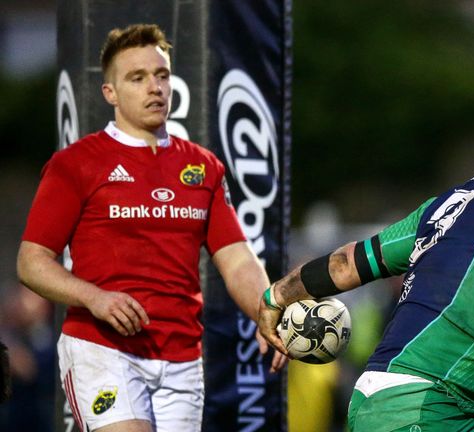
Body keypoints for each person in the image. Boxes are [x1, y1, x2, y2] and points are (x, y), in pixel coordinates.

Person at [258, 94, 474, 431]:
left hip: (404, 397)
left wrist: (277, 296)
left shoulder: (445, 206)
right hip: (424, 403)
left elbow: (349, 263)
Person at [16, 23, 285, 432]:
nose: (154, 87)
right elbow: (32, 261)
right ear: (110, 93)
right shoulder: (76, 163)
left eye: (161, 75)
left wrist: (265, 308)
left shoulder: (203, 167)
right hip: (102, 349)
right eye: (137, 78)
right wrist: (94, 298)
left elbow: (236, 261)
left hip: (181, 359)